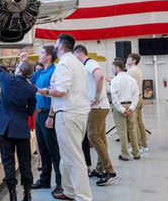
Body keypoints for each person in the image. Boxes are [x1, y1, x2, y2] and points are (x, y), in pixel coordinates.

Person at [38, 33, 92, 201]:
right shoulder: (76, 63)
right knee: (67, 156)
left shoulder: (64, 64)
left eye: (56, 43)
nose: (55, 46)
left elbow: (61, 91)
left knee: (74, 157)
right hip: (77, 113)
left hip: (68, 114)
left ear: (60, 46)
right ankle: (69, 191)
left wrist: (44, 92)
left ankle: (83, 196)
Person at [0, 45, 37, 201]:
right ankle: (27, 193)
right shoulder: (30, 90)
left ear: (19, 71)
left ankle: (12, 193)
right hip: (21, 129)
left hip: (5, 128)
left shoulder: (7, 79)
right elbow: (30, 111)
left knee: (8, 160)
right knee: (25, 161)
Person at [73, 45, 116, 186]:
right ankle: (99, 169)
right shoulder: (87, 65)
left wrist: (97, 96)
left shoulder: (90, 63)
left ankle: (110, 171)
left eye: (74, 56)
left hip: (97, 107)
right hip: (100, 107)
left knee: (93, 136)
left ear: (79, 54)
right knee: (101, 138)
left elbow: (100, 76)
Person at [30, 46, 62, 195]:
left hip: (47, 114)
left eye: (42, 53)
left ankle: (60, 182)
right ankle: (44, 180)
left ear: (49, 56)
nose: (39, 55)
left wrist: (51, 116)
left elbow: (54, 96)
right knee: (42, 148)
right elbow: (29, 78)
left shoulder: (53, 72)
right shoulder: (41, 72)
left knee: (53, 150)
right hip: (39, 112)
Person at [110, 59, 140, 161]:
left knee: (122, 131)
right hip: (131, 106)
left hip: (120, 108)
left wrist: (122, 110)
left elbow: (114, 99)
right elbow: (136, 95)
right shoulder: (132, 80)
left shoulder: (114, 80)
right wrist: (131, 108)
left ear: (117, 68)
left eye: (113, 68)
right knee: (133, 130)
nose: (112, 70)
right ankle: (136, 153)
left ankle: (125, 154)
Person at [126, 53, 148, 152]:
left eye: (129, 58)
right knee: (140, 122)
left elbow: (125, 83)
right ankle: (144, 144)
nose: (127, 59)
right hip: (140, 96)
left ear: (134, 60)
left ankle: (137, 146)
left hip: (134, 98)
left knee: (133, 123)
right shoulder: (138, 70)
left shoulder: (131, 71)